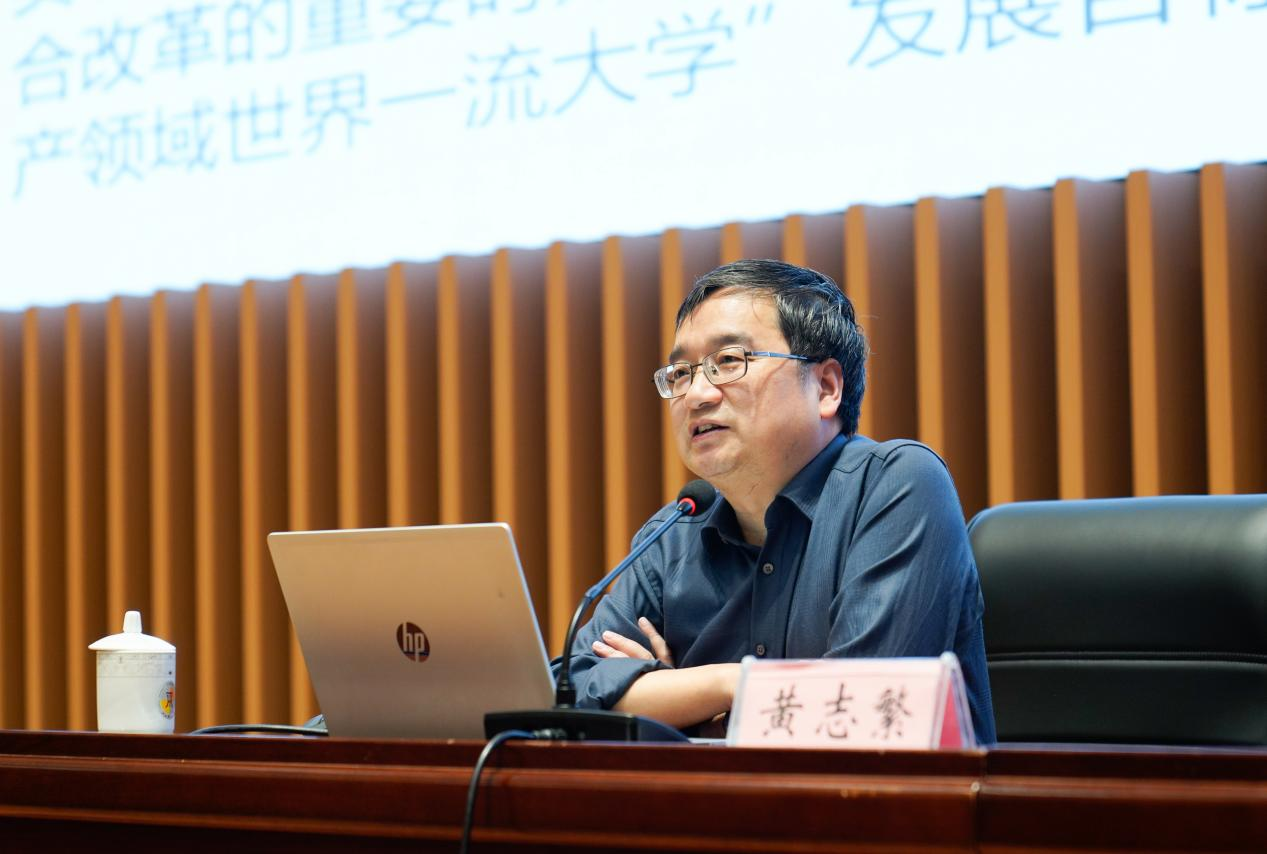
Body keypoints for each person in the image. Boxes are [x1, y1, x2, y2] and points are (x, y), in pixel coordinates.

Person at [559, 259, 996, 743]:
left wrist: (675, 701)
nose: (697, 394)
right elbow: (570, 692)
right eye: (681, 372)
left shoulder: (898, 486)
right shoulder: (672, 535)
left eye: (729, 361)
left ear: (826, 387)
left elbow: (854, 715)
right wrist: (728, 684)